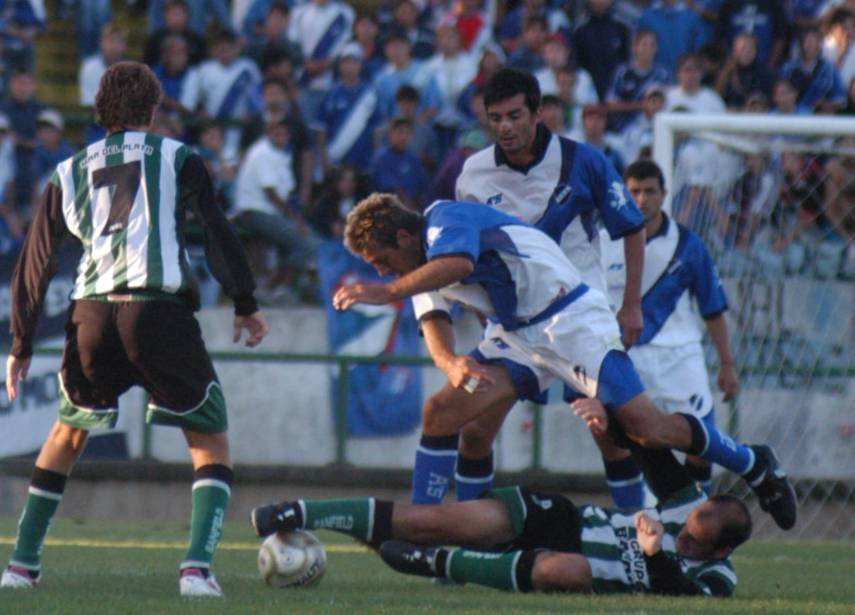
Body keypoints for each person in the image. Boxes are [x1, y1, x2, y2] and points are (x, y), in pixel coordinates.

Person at [331, 193, 796, 532]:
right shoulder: (420, 265)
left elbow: (457, 266)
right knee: (443, 412)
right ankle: (427, 532)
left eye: (381, 259)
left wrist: (385, 292)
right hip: (518, 335)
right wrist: (451, 362)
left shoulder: (444, 219)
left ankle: (753, 462)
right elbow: (433, 317)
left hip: (569, 319)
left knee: (643, 427)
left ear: (405, 236)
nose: (381, 271)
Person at [0, 61, 269, 597]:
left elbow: (35, 260)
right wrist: (244, 300)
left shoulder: (68, 170)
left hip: (92, 314)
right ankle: (196, 571)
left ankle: (20, 567)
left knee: (66, 434)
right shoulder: (178, 156)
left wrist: (22, 343)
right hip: (157, 310)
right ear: (153, 109)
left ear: (100, 111)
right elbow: (214, 226)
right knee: (209, 438)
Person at [250, 399, 751, 596]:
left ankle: (437, 563)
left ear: (722, 551)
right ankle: (299, 511)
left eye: (693, 542)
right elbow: (649, 448)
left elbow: (679, 597)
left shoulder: (718, 580)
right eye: (688, 526)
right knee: (434, 521)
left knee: (566, 570)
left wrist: (654, 553)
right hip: (564, 521)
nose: (683, 534)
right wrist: (610, 421)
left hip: (584, 568)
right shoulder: (688, 503)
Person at [450, 67, 645, 502]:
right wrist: (486, 312)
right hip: (514, 326)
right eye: (495, 118)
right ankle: (469, 527)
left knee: (610, 432)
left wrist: (631, 305)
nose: (505, 127)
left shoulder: (583, 161)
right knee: (474, 428)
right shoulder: (473, 176)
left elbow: (632, 227)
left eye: (514, 116)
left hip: (579, 318)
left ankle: (639, 528)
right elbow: (471, 255)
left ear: (538, 113)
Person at [598, 160, 740, 507]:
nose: (641, 199)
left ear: (664, 194)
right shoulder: (602, 242)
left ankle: (696, 519)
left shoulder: (688, 245)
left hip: (680, 355)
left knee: (702, 443)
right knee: (625, 442)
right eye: (634, 191)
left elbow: (713, 308)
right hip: (625, 357)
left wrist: (726, 363)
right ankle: (636, 521)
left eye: (649, 191)